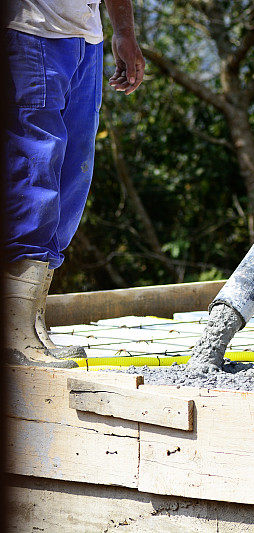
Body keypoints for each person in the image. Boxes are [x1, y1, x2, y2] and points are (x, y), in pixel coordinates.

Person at [3, 0, 145, 368]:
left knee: (72, 176)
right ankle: (13, 333)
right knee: (33, 168)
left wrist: (124, 33)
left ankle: (30, 323)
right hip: (30, 29)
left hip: (85, 39)